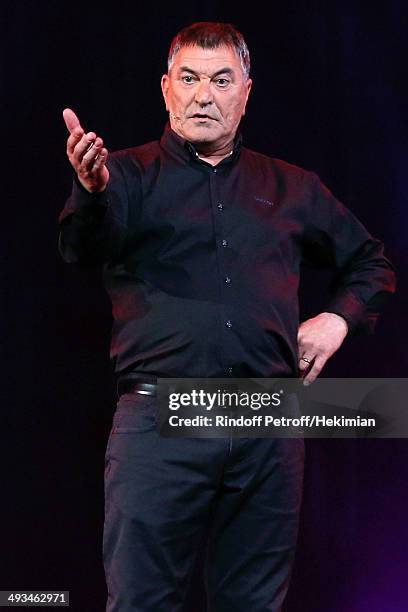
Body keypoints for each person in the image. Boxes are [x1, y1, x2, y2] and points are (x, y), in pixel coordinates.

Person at [59, 21, 396, 612]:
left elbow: (371, 263)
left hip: (267, 421)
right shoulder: (125, 176)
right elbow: (81, 249)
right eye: (188, 79)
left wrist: (337, 320)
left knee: (253, 603)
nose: (202, 95)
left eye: (220, 80)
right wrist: (90, 190)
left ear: (246, 92)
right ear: (166, 89)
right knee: (142, 601)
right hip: (162, 419)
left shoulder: (292, 187)